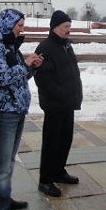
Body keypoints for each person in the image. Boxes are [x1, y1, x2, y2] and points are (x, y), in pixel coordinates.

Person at [0, 9, 43, 210]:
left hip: (17, 110)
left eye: (22, 25)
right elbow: (2, 78)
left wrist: (32, 67)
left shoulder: (10, 46)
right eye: (19, 26)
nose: (21, 29)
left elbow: (19, 77)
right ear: (8, 25)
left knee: (8, 161)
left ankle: (4, 198)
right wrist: (25, 64)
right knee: (1, 164)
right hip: (4, 112)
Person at [34, 10, 83, 198]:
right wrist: (61, 94)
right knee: (51, 142)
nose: (69, 30)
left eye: (70, 26)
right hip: (54, 104)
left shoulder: (66, 45)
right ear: (55, 27)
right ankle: (45, 180)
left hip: (68, 103)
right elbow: (42, 79)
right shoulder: (45, 47)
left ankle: (58, 171)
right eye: (66, 27)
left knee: (65, 139)